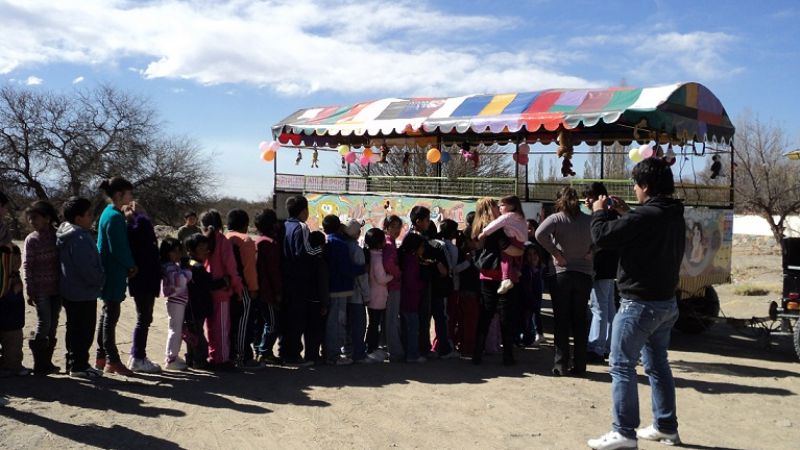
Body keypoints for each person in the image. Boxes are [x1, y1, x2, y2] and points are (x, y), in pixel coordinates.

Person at [587, 158, 685, 450]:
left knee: (620, 366)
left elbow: (602, 236)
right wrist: (625, 212)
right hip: (666, 302)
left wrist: (598, 213)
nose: (634, 189)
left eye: (635, 185)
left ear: (645, 186)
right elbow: (643, 229)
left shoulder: (645, 216)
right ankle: (666, 426)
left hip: (639, 304)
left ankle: (624, 432)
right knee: (657, 366)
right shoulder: (672, 213)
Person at [535, 186, 593, 376]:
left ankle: (561, 364)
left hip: (561, 273)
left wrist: (556, 253)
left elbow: (539, 235)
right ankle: (580, 365)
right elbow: (604, 235)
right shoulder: (589, 219)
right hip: (584, 274)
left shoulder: (556, 218)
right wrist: (592, 251)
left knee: (561, 320)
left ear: (559, 200)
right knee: (579, 320)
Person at [57, 197, 105, 379]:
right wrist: (100, 279)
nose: (92, 217)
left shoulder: (66, 234)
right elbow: (86, 267)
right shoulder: (79, 237)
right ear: (78, 219)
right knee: (84, 330)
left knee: (74, 329)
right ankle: (79, 365)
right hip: (83, 291)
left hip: (71, 290)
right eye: (89, 214)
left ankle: (73, 363)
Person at [96, 176, 137, 376]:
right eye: (129, 193)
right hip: (112, 271)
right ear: (120, 194)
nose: (132, 196)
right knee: (111, 315)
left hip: (108, 270)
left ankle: (101, 357)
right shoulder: (114, 216)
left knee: (106, 313)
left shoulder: (109, 212)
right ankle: (112, 359)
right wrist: (131, 265)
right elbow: (118, 248)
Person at [471, 198, 516, 366]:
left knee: (485, 315)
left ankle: (477, 353)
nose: (499, 208)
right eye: (496, 206)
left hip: (485, 274)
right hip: (500, 275)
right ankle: (508, 356)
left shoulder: (476, 226)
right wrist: (520, 251)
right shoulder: (495, 228)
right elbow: (506, 248)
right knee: (505, 316)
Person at [408, 206, 456, 359]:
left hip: (426, 284)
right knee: (427, 317)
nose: (429, 222)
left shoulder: (416, 239)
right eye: (427, 220)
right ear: (418, 221)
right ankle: (427, 349)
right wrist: (436, 264)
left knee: (429, 317)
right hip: (425, 284)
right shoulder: (418, 241)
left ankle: (430, 348)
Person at [200, 209, 243, 370]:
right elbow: (232, 269)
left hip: (206, 290)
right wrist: (238, 288)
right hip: (222, 292)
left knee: (210, 327)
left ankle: (213, 355)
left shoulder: (201, 241)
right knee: (222, 328)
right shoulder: (222, 241)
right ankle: (222, 359)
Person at [23, 200, 62, 375]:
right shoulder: (31, 240)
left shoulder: (58, 236)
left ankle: (46, 362)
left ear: (47, 218)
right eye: (30, 219)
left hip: (58, 288)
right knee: (44, 324)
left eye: (35, 218)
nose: (32, 222)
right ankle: (39, 363)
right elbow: (27, 266)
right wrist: (30, 290)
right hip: (40, 290)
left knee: (53, 325)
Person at [280, 196, 319, 366]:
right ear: (304, 211)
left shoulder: (284, 226)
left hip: (285, 278)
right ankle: (293, 355)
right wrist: (321, 249)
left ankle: (285, 352)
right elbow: (305, 251)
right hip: (299, 280)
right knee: (297, 319)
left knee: (287, 318)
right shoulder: (301, 227)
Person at [124, 202, 162, 374]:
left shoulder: (130, 229)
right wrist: (142, 216)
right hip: (146, 278)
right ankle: (138, 357)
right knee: (144, 318)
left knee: (144, 317)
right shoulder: (141, 226)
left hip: (141, 279)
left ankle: (136, 355)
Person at [584, 182, 620, 364]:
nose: (586, 200)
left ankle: (595, 348)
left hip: (601, 266)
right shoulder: (614, 214)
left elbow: (599, 239)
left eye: (590, 196)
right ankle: (607, 346)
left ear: (600, 197)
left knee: (599, 308)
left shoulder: (602, 215)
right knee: (608, 307)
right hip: (610, 267)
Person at [226, 209, 262, 369]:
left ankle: (230, 353)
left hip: (226, 288)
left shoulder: (224, 238)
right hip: (243, 290)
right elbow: (249, 269)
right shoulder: (246, 241)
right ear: (246, 224)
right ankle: (243, 356)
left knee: (230, 322)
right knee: (243, 322)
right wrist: (253, 288)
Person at [183, 233, 225, 370]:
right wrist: (225, 281)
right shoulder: (198, 268)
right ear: (191, 250)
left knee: (191, 334)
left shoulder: (187, 263)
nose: (206, 251)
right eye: (202, 248)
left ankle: (191, 359)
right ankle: (200, 361)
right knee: (198, 335)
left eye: (207, 247)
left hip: (189, 307)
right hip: (197, 307)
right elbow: (209, 284)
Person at [322, 214, 356, 366]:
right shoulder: (340, 244)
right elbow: (346, 268)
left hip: (329, 288)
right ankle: (334, 355)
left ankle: (329, 352)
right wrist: (362, 268)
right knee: (337, 322)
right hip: (340, 289)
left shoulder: (327, 241)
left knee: (331, 321)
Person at [477, 195, 527, 294]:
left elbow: (494, 225)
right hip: (519, 241)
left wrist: (484, 233)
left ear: (512, 206)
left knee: (506, 258)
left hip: (489, 271)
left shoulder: (506, 217)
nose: (499, 207)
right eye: (497, 205)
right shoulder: (520, 216)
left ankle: (506, 278)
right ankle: (515, 271)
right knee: (513, 258)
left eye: (502, 205)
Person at [253, 208, 283, 364]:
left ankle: (259, 348)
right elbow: (274, 271)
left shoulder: (257, 241)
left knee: (262, 321)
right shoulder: (270, 244)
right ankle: (265, 352)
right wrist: (278, 292)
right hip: (268, 293)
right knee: (272, 323)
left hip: (258, 290)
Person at [158, 237, 192, 371]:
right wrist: (187, 271)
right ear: (167, 252)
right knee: (175, 330)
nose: (178, 254)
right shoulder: (169, 267)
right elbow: (181, 281)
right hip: (176, 301)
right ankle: (171, 358)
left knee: (177, 329)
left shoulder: (172, 266)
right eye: (174, 251)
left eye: (179, 251)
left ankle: (173, 356)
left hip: (178, 300)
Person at [0, 244, 30, 377]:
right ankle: (11, 367)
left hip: (14, 322)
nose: (18, 263)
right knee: (12, 347)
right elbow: (9, 298)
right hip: (10, 322)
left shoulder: (14, 275)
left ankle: (11, 364)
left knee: (14, 349)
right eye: (14, 260)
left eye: (19, 259)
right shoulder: (5, 279)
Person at [344, 219, 370, 363]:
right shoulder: (357, 250)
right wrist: (366, 295)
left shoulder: (343, 247)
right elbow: (362, 276)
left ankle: (347, 351)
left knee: (347, 324)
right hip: (357, 295)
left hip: (345, 293)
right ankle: (358, 353)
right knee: (359, 326)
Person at [365, 227, 392, 361]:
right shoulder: (377, 258)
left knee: (373, 323)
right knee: (374, 324)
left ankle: (371, 347)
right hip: (378, 296)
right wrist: (392, 276)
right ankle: (371, 348)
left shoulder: (370, 254)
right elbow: (381, 279)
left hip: (373, 295)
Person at [399, 232, 426, 363]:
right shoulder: (411, 261)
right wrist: (422, 284)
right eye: (421, 246)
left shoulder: (408, 259)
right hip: (410, 300)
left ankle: (408, 353)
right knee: (412, 329)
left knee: (407, 328)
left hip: (407, 299)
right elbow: (411, 282)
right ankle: (412, 354)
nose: (423, 249)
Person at [304, 230, 329, 364]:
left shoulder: (305, 259)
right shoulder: (320, 262)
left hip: (306, 299)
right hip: (317, 301)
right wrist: (325, 304)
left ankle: (309, 354)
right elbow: (323, 284)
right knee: (317, 330)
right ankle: (314, 355)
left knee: (309, 331)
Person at [382, 215, 404, 362]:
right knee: (392, 319)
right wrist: (399, 273)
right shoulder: (389, 244)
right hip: (392, 286)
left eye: (399, 226)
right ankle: (395, 352)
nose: (397, 230)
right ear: (387, 227)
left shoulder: (390, 243)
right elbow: (389, 264)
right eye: (394, 226)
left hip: (389, 286)